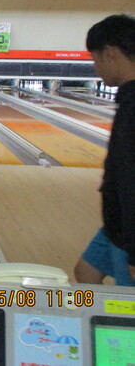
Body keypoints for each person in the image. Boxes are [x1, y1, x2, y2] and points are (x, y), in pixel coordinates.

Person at [74, 14, 135, 287]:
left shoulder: (133, 107)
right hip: (115, 227)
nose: (95, 66)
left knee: (127, 304)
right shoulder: (128, 98)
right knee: (86, 271)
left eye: (95, 58)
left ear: (110, 53)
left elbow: (131, 179)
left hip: (128, 235)